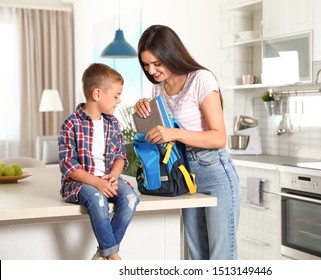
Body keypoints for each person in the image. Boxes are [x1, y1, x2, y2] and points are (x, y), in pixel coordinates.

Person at [134, 25, 241, 260]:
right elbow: (161, 134)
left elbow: (219, 137)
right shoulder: (157, 87)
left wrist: (174, 133)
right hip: (184, 175)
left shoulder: (201, 79)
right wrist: (144, 111)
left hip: (214, 171)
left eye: (157, 63)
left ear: (171, 54)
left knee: (220, 257)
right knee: (196, 254)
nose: (151, 70)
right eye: (146, 65)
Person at [58, 63, 139, 260]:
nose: (119, 101)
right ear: (97, 94)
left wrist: (113, 176)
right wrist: (97, 182)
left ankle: (103, 253)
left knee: (130, 199)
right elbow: (68, 165)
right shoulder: (71, 123)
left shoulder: (113, 123)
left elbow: (120, 156)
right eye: (116, 95)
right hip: (81, 182)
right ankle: (112, 256)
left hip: (108, 179)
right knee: (97, 199)